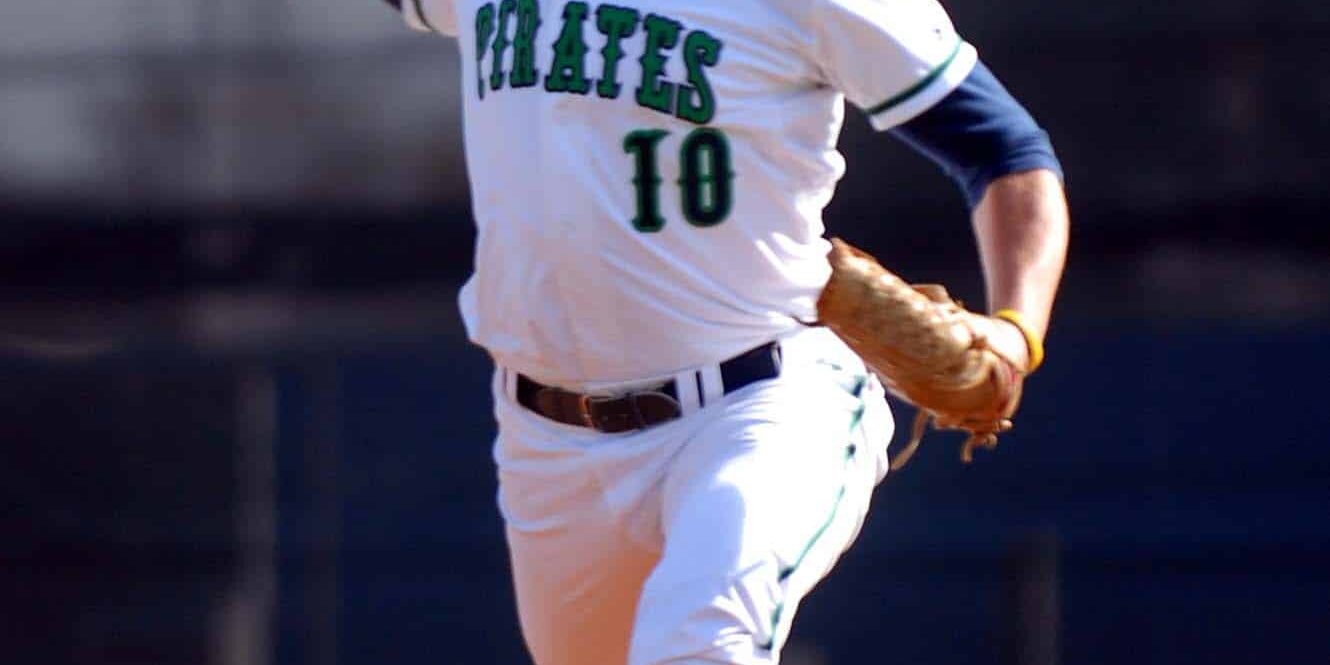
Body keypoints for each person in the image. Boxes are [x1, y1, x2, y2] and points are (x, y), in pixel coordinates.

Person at [380, 1, 1069, 663]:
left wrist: (1017, 331)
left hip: (757, 404)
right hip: (550, 439)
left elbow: (1006, 151)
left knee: (703, 641)